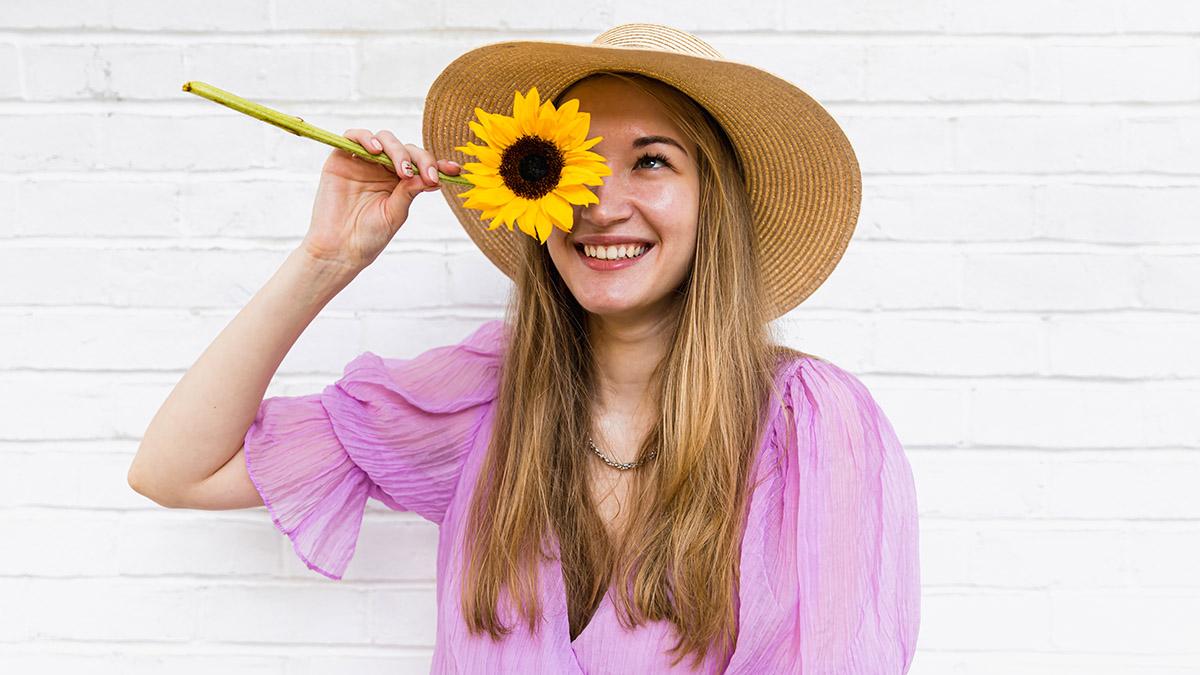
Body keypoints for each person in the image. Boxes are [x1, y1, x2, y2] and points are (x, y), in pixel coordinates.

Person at [129, 23, 920, 674]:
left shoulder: (812, 426)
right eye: (568, 167)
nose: (600, 204)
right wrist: (325, 260)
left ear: (716, 199)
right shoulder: (479, 404)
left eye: (651, 160)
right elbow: (176, 468)